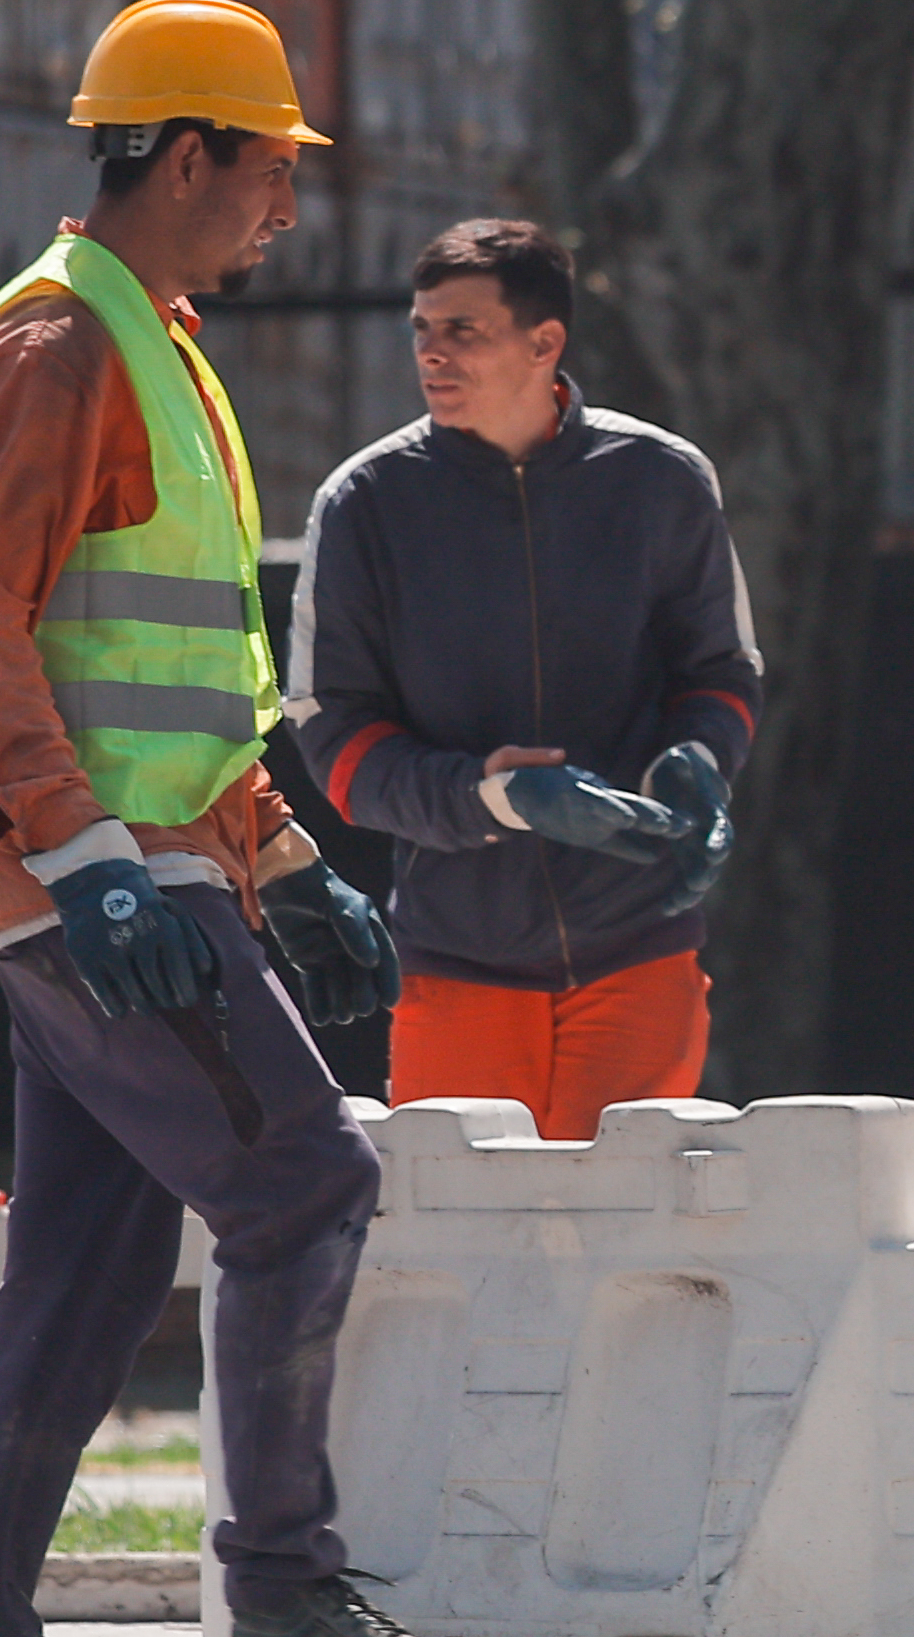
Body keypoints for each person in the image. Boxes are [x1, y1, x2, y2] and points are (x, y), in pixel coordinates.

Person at [0, 0, 485, 1637]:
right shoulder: (62, 349)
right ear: (178, 153)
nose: (284, 207)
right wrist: (84, 858)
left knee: (85, 1266)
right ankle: (291, 1605)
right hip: (92, 881)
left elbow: (169, 679)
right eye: (266, 168)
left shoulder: (148, 345)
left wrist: (286, 858)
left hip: (130, 869)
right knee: (302, 1184)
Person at [288, 216, 759, 1134]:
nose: (432, 353)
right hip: (456, 955)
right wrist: (490, 796)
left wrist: (700, 762)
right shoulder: (363, 504)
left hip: (641, 946)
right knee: (465, 1255)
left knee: (628, 1248)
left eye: (463, 330)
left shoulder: (663, 479)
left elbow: (721, 672)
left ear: (546, 342)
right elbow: (336, 737)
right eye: (421, 329)